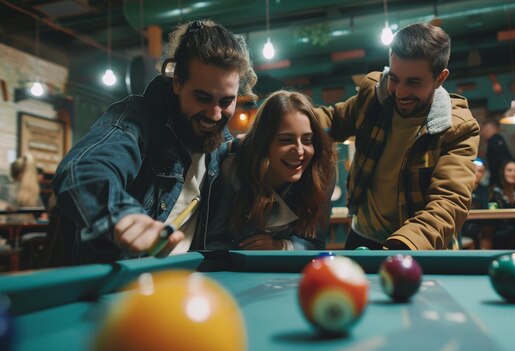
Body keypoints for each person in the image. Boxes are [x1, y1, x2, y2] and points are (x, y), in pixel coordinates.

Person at [50, 20, 257, 265]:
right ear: (177, 82)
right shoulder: (134, 121)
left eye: (226, 102)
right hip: (113, 290)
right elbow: (83, 170)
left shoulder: (219, 143)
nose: (214, 114)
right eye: (203, 98)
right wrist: (121, 215)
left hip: (180, 286)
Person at [315, 23, 480, 250]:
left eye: (414, 82)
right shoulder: (373, 95)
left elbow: (449, 203)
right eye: (394, 78)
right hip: (361, 238)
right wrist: (286, 118)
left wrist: (403, 245)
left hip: (418, 246)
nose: (400, 92)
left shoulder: (458, 128)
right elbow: (330, 120)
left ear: (440, 78)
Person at [205, 91, 335, 250]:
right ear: (264, 143)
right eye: (286, 140)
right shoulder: (233, 167)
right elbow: (213, 240)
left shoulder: (322, 174)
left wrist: (280, 246)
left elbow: (316, 244)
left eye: (307, 140)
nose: (300, 150)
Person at [459, 158, 489, 248]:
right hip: (459, 228)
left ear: (483, 174)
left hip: (477, 230)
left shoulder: (485, 191)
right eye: (473, 170)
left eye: (480, 171)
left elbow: (486, 213)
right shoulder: (459, 189)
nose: (476, 173)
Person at [481, 118, 512, 186]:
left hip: (501, 184)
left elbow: (503, 162)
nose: (482, 133)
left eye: (483, 129)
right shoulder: (497, 140)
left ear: (488, 128)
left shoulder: (495, 141)